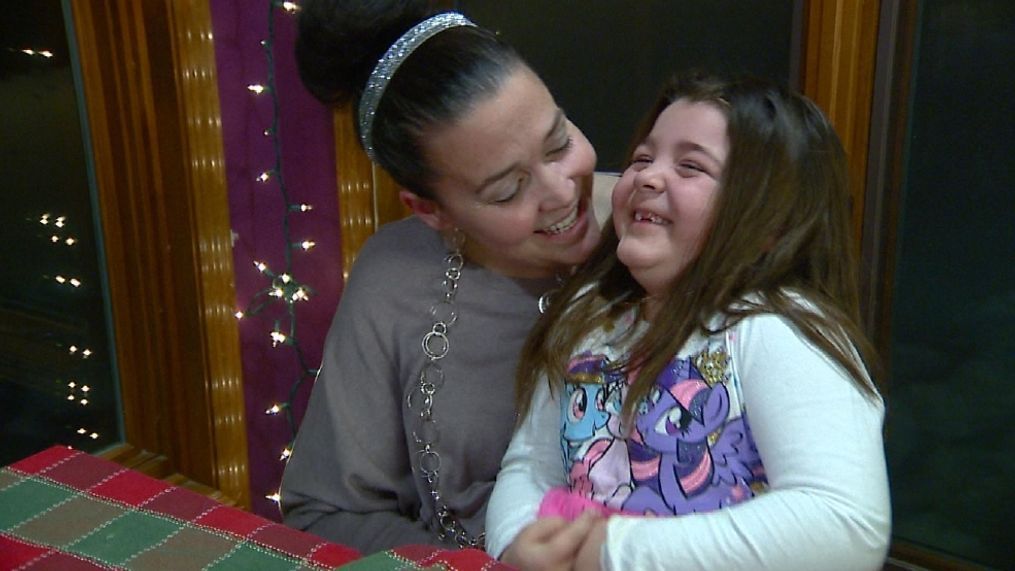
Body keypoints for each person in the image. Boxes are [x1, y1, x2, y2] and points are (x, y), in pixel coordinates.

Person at [485, 72, 892, 570]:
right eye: (642, 158)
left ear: (770, 224)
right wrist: (515, 541)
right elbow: (530, 464)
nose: (647, 177)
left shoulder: (778, 329)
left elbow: (844, 522)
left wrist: (617, 553)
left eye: (690, 166)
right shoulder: (586, 316)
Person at [279, 0, 604, 554]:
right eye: (508, 190)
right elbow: (324, 513)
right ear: (431, 211)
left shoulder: (661, 232)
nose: (563, 190)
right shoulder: (395, 280)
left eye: (559, 143)